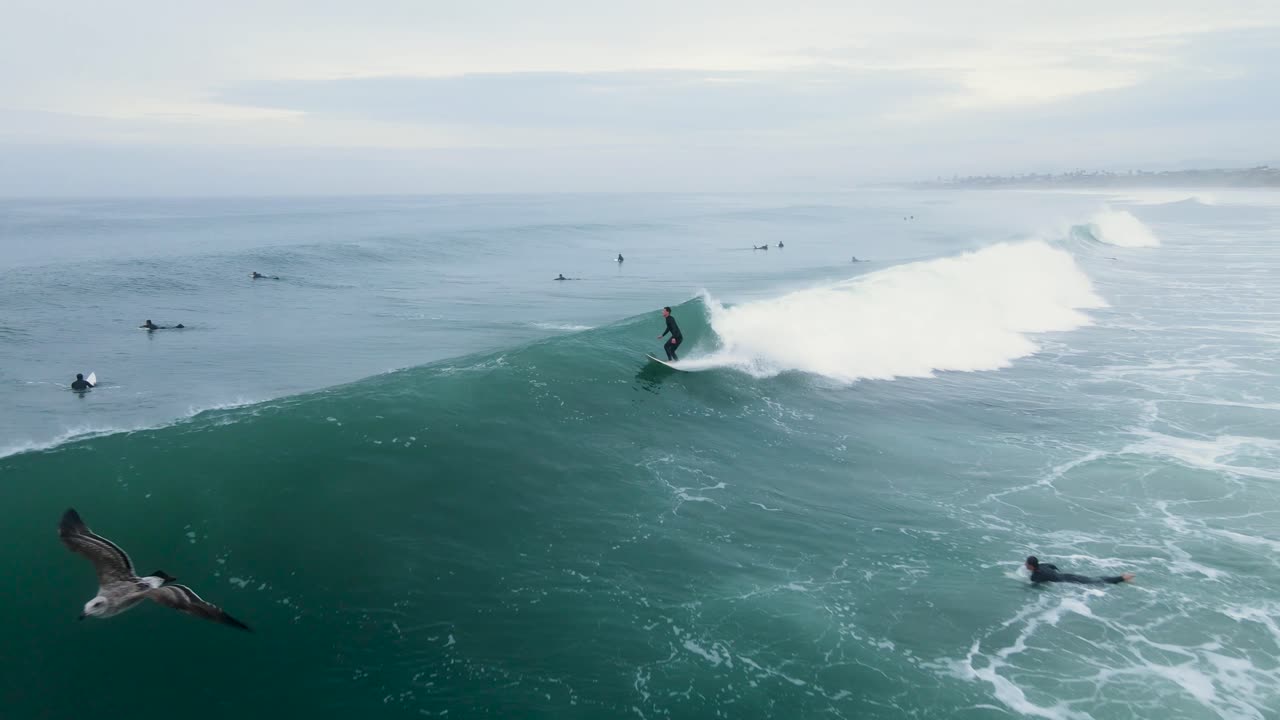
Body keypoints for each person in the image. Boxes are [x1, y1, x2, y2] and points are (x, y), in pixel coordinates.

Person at [1025, 556, 1134, 585]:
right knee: (1093, 580)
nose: (1025, 564)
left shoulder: (1035, 576)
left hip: (1067, 581)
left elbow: (1036, 584)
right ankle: (1121, 578)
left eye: (1026, 563)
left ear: (1031, 566)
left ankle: (1122, 578)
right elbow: (1053, 566)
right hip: (1067, 575)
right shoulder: (1043, 565)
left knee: (1094, 582)